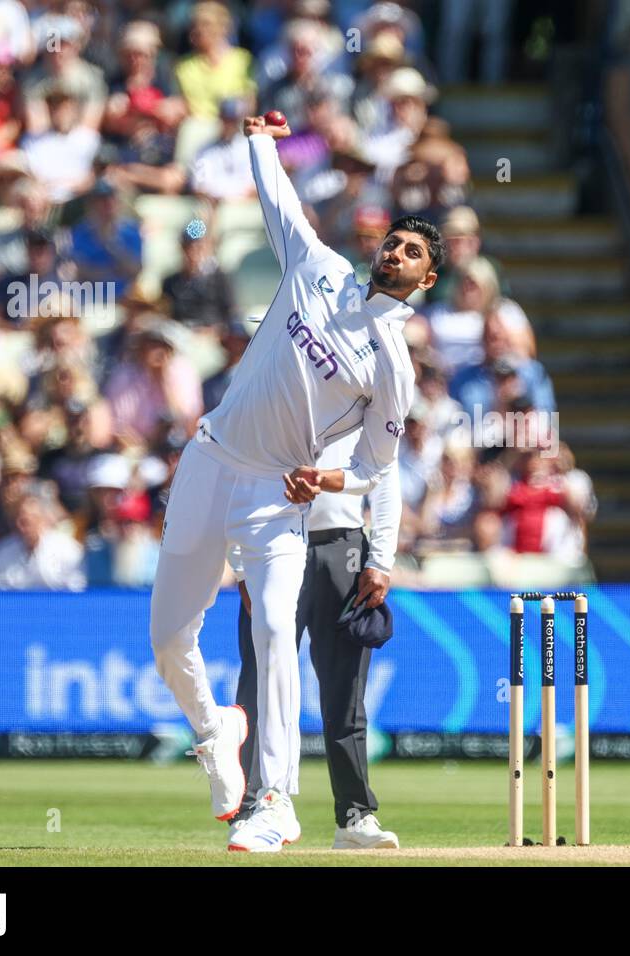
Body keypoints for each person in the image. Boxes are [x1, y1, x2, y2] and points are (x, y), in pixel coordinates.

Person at [148, 115, 440, 853]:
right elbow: (276, 197)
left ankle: (274, 800)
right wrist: (258, 140)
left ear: (425, 279)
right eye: (394, 242)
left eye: (413, 253)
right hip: (209, 461)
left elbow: (377, 467)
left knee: (277, 631)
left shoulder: (392, 367)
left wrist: (330, 478)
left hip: (277, 496)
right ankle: (217, 733)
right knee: (167, 639)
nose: (397, 253)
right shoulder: (317, 266)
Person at [231, 432, 402, 849]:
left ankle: (355, 816)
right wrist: (241, 567)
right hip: (274, 541)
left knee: (346, 689)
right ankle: (254, 808)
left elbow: (384, 474)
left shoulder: (364, 397)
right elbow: (237, 477)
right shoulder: (274, 391)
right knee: (261, 682)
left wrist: (380, 559)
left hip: (343, 542)